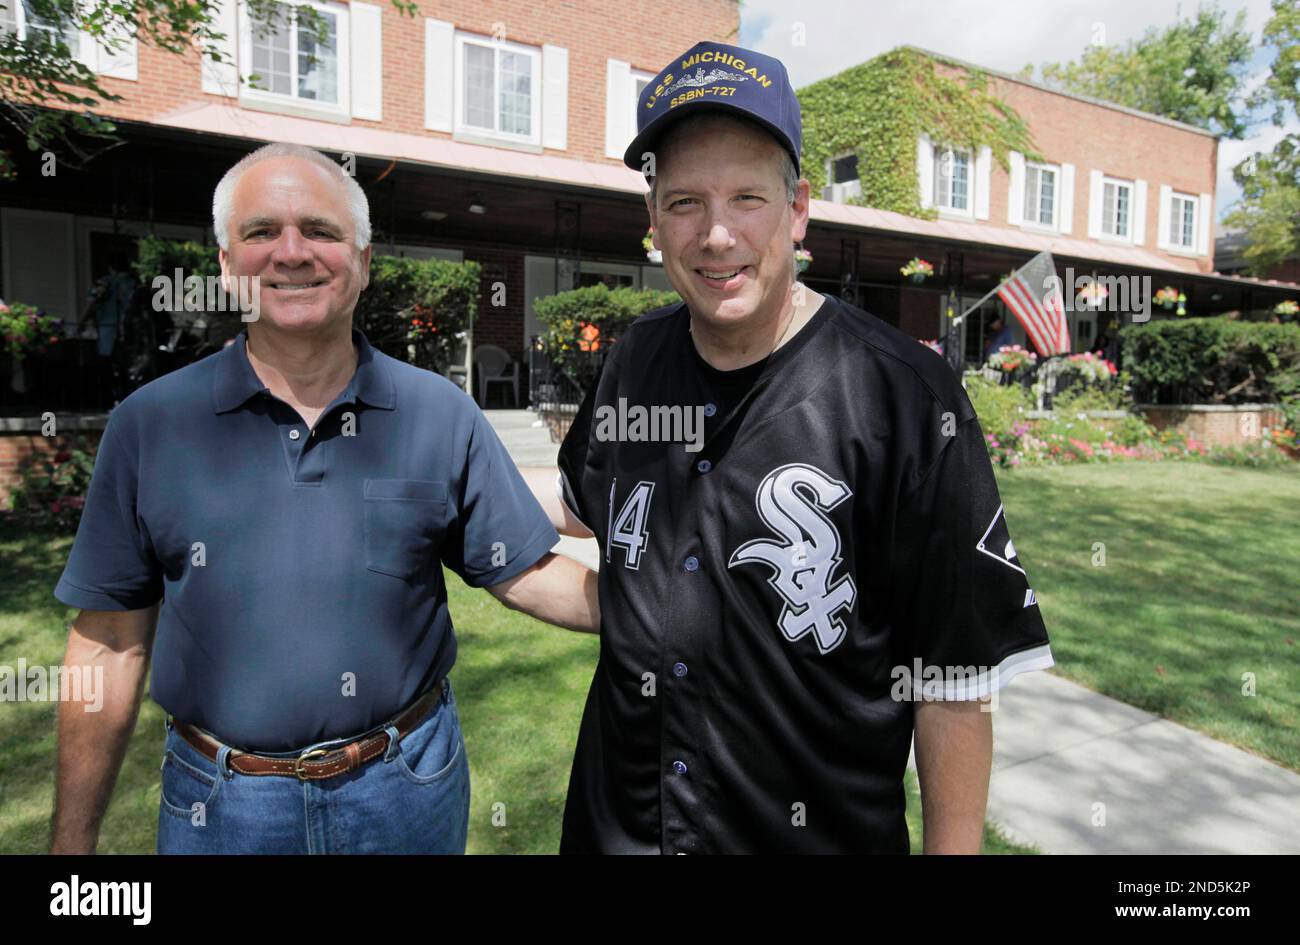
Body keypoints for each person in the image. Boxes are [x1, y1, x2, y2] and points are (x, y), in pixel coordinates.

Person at [545, 42, 1054, 854]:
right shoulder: (633, 363)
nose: (715, 234)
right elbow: (578, 512)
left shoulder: (904, 396)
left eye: (747, 196)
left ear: (799, 209)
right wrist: (434, 499)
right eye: (684, 202)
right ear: (652, 220)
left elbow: (956, 679)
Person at [49, 143, 599, 855]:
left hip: (406, 789)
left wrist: (676, 610)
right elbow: (109, 639)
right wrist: (69, 849)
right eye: (260, 232)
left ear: (363, 261)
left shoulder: (438, 412)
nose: (291, 252)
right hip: (221, 807)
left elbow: (524, 570)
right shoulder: (151, 425)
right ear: (224, 264)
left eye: (320, 230)